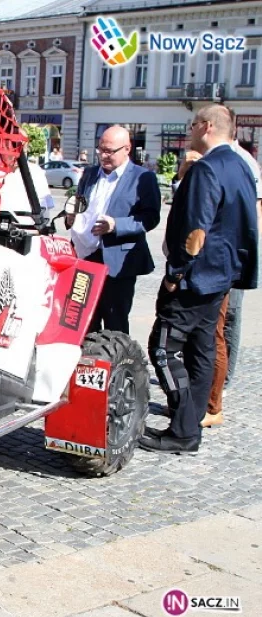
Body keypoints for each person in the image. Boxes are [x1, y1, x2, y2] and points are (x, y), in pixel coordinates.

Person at [142, 105, 258, 454]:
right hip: (220, 276)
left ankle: (184, 429)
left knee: (163, 348)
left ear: (206, 126)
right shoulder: (241, 164)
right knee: (201, 349)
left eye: (193, 125)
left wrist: (176, 273)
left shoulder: (208, 169)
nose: (190, 130)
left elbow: (196, 228)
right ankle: (188, 425)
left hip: (196, 277)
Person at [65, 126, 162, 333]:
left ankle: (114, 363)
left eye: (110, 151)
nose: (103, 155)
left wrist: (117, 225)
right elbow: (79, 202)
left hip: (118, 261)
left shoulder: (142, 178)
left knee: (114, 322)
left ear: (127, 149)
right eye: (100, 149)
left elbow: (150, 218)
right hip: (86, 255)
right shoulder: (90, 174)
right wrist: (71, 214)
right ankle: (86, 362)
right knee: (84, 320)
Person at [202, 112, 262, 428]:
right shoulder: (223, 160)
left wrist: (247, 255)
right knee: (219, 326)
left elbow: (253, 212)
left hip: (229, 257)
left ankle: (218, 390)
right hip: (227, 256)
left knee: (225, 325)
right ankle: (212, 390)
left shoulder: (240, 162)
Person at [0, 158, 55, 223]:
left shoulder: (35, 171)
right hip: (24, 227)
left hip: (27, 227)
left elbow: (45, 205)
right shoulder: (35, 170)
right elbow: (46, 208)